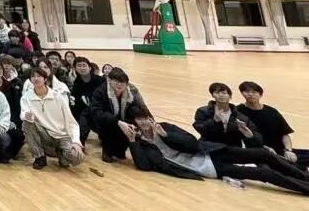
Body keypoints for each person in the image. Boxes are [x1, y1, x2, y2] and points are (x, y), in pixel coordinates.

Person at [127, 106, 309, 195]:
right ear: (134, 123)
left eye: (146, 118)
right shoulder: (141, 144)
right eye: (139, 120)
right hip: (208, 168)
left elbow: (191, 143)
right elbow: (144, 165)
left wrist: (167, 135)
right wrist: (132, 141)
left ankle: (304, 177)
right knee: (262, 173)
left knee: (264, 154)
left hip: (212, 152)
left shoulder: (165, 127)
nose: (144, 122)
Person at [236, 81, 309, 168]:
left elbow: (285, 134)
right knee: (296, 168)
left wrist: (288, 150)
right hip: (260, 152)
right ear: (242, 93)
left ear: (260, 95)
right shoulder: (238, 112)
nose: (250, 94)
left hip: (282, 151)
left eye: (254, 92)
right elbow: (242, 138)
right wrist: (263, 148)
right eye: (247, 91)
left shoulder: (272, 111)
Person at [22, 68, 84, 170]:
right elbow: (23, 115)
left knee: (77, 157)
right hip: (44, 134)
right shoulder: (26, 97)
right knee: (27, 123)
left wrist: (76, 142)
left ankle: (60, 153)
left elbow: (71, 121)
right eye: (33, 76)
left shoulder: (57, 96)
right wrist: (34, 117)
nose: (36, 79)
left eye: (39, 76)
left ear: (45, 79)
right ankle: (39, 156)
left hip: (62, 136)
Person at [87, 68, 147, 162]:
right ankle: (107, 150)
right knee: (109, 124)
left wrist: (143, 122)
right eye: (116, 81)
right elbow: (96, 112)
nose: (119, 84)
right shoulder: (100, 91)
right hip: (102, 122)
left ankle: (122, 148)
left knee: (133, 114)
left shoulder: (131, 92)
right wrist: (118, 122)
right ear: (109, 80)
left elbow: (140, 106)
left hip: (122, 120)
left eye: (122, 82)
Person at [193, 82, 261, 149]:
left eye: (224, 93)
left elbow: (257, 139)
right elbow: (200, 129)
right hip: (209, 147)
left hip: (231, 150)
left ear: (230, 96)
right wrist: (213, 121)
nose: (221, 95)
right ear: (212, 95)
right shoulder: (203, 111)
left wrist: (250, 136)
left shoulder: (240, 117)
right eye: (217, 92)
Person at [69, 56, 104, 144]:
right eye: (79, 66)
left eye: (84, 65)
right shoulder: (76, 84)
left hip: (102, 111)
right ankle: (80, 143)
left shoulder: (100, 81)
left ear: (90, 67)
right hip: (87, 114)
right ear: (75, 68)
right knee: (83, 117)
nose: (82, 68)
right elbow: (75, 106)